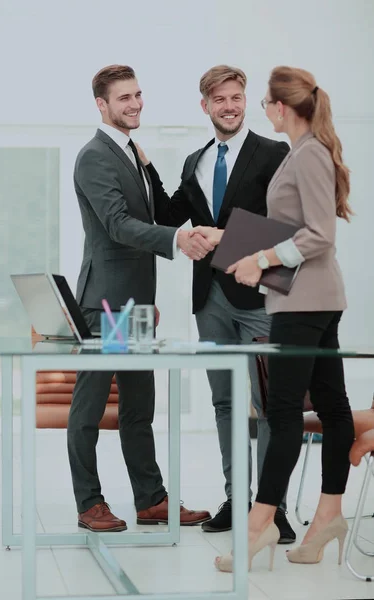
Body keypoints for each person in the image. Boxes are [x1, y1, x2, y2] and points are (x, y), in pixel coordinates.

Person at [135, 65, 295, 542]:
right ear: (204, 106)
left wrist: (227, 240)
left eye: (236, 97)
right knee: (225, 403)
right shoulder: (196, 161)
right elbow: (169, 215)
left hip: (261, 295)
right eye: (219, 99)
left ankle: (273, 509)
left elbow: (287, 227)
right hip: (210, 301)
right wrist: (142, 167)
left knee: (269, 405)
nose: (229, 106)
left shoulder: (274, 153)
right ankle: (237, 499)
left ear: (245, 101)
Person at [209, 65, 354, 571]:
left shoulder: (309, 154)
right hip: (311, 298)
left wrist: (262, 260)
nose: (262, 110)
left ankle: (261, 522)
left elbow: (318, 236)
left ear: (282, 107)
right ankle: (328, 517)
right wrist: (231, 245)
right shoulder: (304, 153)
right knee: (334, 408)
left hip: (305, 302)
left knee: (284, 410)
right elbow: (293, 231)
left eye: (266, 103)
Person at [67, 64, 212, 532]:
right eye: (123, 98)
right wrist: (177, 241)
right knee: (89, 408)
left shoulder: (129, 152)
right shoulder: (95, 156)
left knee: (138, 406)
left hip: (137, 305)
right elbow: (116, 225)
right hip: (108, 305)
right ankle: (89, 502)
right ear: (102, 105)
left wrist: (147, 165)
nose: (134, 104)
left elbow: (152, 208)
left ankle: (151, 500)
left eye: (137, 95)